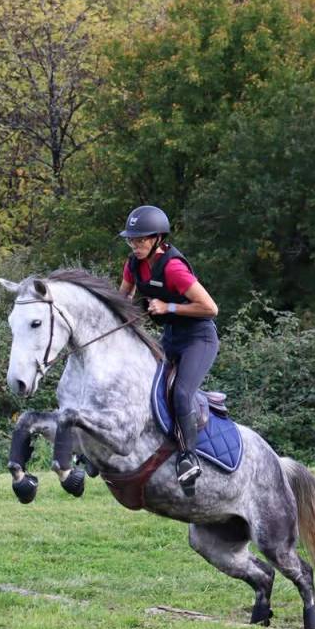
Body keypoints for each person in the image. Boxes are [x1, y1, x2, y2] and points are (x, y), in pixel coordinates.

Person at [118, 204, 219, 495]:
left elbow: (210, 308)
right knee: (148, 389)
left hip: (198, 339)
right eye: (132, 240)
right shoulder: (133, 263)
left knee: (181, 393)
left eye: (141, 240)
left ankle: (190, 457)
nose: (135, 245)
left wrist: (168, 306)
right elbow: (122, 298)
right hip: (171, 337)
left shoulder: (173, 267)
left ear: (158, 239)